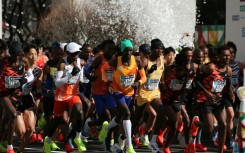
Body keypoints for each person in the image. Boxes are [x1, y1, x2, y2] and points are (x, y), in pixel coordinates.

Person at [98, 39, 146, 153]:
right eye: (126, 51)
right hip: (117, 91)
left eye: (130, 50)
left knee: (119, 117)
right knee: (127, 113)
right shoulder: (116, 61)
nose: (129, 53)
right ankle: (129, 146)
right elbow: (103, 69)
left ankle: (105, 128)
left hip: (129, 93)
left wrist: (138, 83)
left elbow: (144, 77)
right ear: (122, 51)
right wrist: (107, 83)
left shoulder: (137, 61)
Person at [43, 42, 86, 153]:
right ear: (67, 53)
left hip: (73, 94)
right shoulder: (62, 64)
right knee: (58, 120)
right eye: (73, 53)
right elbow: (57, 83)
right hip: (61, 96)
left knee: (80, 111)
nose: (76, 56)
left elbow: (80, 78)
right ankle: (47, 140)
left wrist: (82, 81)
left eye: (77, 53)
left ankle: (77, 137)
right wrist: (70, 75)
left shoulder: (80, 62)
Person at [192, 45, 233, 153]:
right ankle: (196, 123)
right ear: (218, 56)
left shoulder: (228, 70)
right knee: (210, 129)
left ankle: (220, 151)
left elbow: (227, 84)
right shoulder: (210, 67)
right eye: (224, 56)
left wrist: (230, 93)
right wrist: (207, 92)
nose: (227, 58)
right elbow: (196, 81)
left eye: (229, 56)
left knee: (223, 124)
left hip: (218, 101)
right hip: (206, 100)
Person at [0, 41, 34, 153]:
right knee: (13, 114)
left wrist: (25, 80)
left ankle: (1, 141)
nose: (17, 57)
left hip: (16, 94)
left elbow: (31, 76)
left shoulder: (24, 62)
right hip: (4, 94)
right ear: (11, 53)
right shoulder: (3, 62)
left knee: (5, 119)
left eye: (19, 55)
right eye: (15, 55)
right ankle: (10, 147)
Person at [85, 40, 118, 152]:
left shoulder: (115, 59)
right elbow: (88, 71)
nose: (111, 51)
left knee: (114, 117)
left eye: (113, 49)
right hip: (98, 92)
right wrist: (91, 77)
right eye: (109, 49)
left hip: (110, 92)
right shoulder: (100, 58)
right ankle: (92, 123)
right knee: (104, 119)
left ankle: (109, 144)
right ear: (104, 49)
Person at [132, 42, 165, 150]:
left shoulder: (162, 60)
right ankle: (128, 137)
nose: (159, 51)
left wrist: (163, 83)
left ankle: (152, 139)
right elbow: (137, 78)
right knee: (137, 119)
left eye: (161, 49)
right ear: (152, 49)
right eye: (157, 49)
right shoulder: (145, 62)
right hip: (143, 93)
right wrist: (147, 73)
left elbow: (162, 73)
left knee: (159, 111)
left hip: (155, 92)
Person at [16, 43, 43, 152]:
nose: (33, 57)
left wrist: (37, 100)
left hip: (27, 98)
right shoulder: (19, 67)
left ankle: (20, 150)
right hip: (16, 99)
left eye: (35, 54)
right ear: (25, 55)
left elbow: (38, 89)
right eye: (31, 54)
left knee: (31, 129)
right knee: (22, 131)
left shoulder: (38, 71)